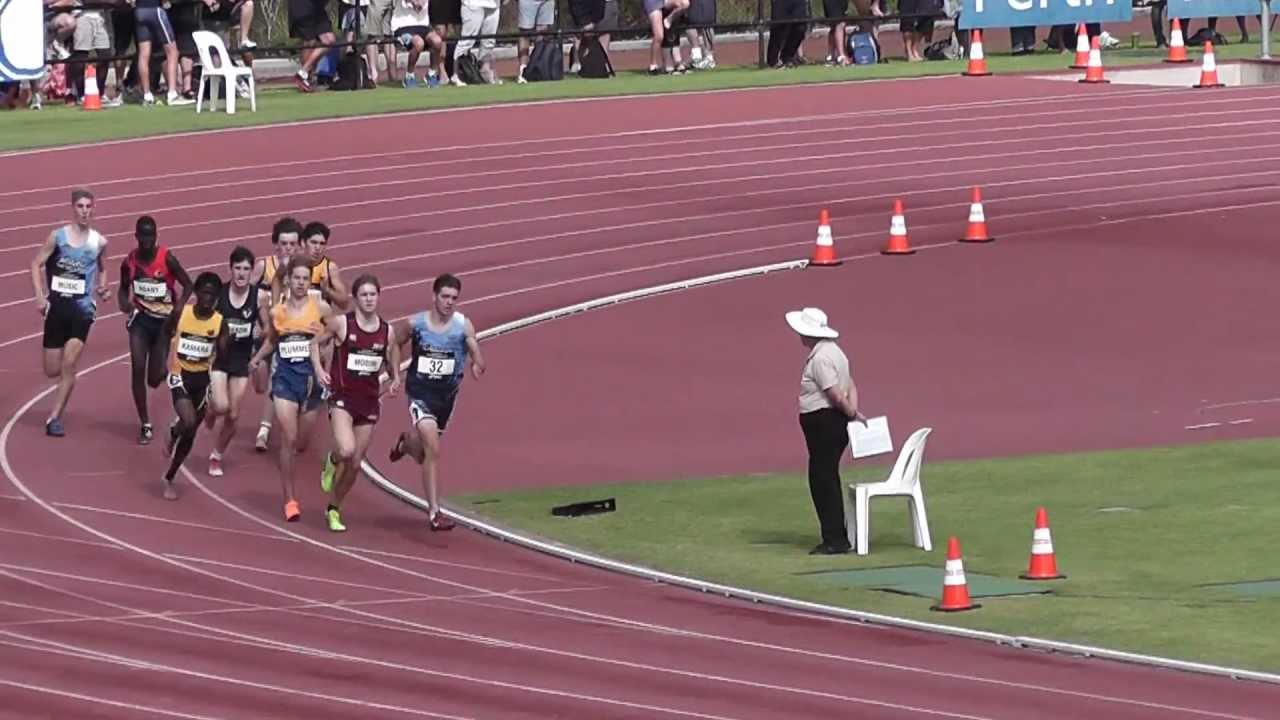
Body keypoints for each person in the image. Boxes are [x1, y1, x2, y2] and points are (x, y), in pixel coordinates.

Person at [387, 273, 485, 531]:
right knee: (434, 449)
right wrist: (395, 375)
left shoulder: (463, 325)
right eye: (445, 296)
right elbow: (394, 342)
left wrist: (477, 363)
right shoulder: (416, 324)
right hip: (420, 393)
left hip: (446, 398)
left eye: (454, 298)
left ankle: (406, 444)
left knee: (423, 454)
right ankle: (434, 512)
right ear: (434, 297)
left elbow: (474, 347)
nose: (449, 302)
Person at [314, 275, 401, 532]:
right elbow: (313, 343)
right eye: (363, 295)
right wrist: (319, 369)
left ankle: (333, 508)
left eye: (372, 294)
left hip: (369, 402)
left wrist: (395, 376)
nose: (368, 299)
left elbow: (392, 352)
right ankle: (331, 459)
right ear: (356, 298)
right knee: (346, 450)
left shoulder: (387, 330)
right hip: (343, 399)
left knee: (354, 465)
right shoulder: (342, 324)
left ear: (379, 297)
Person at [249, 256, 333, 522]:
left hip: (311, 381)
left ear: (310, 282)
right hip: (284, 380)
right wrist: (257, 358)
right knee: (289, 436)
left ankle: (331, 462)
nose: (300, 283)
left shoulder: (320, 307)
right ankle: (289, 499)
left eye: (305, 279)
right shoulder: (279, 312)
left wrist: (323, 360)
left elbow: (334, 335)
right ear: (288, 281)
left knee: (302, 442)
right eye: (296, 278)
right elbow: (273, 341)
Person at [30, 189, 111, 437]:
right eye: (80, 206)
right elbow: (36, 263)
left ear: (93, 209)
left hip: (82, 310)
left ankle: (54, 418)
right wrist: (40, 294)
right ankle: (62, 387)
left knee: (70, 363)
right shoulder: (58, 237)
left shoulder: (98, 242)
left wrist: (102, 287)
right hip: (56, 309)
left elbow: (103, 268)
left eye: (89, 206)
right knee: (52, 369)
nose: (85, 210)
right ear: (73, 208)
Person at [786, 306, 862, 556]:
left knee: (823, 480)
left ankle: (834, 539)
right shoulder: (836, 353)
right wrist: (852, 410)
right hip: (830, 422)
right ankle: (835, 535)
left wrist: (851, 412)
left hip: (825, 423)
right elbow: (850, 384)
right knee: (826, 477)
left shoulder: (820, 358)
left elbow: (834, 392)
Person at [118, 215, 193, 445]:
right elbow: (122, 290)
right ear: (137, 236)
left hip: (163, 324)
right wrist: (126, 305)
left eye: (151, 236)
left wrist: (178, 308)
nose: (147, 240)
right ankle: (145, 423)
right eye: (143, 236)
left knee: (153, 379)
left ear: (156, 236)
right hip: (140, 321)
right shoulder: (129, 262)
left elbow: (188, 284)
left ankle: (163, 371)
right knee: (137, 367)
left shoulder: (166, 258)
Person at [162, 272, 228, 500]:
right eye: (204, 293)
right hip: (180, 375)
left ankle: (170, 476)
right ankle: (174, 431)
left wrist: (222, 349)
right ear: (197, 294)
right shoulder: (182, 314)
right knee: (188, 420)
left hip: (202, 381)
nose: (208, 298)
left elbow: (222, 355)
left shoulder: (220, 323)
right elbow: (165, 334)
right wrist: (164, 363)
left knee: (190, 433)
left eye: (213, 294)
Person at [205, 246, 266, 477]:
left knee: (233, 414)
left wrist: (262, 334)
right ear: (230, 269)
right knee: (221, 406)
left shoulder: (258, 296)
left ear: (252, 272)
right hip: (220, 358)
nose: (241, 273)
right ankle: (210, 408)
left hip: (242, 360)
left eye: (246, 269)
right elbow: (205, 320)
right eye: (237, 268)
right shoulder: (218, 294)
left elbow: (268, 328)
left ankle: (216, 455)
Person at [250, 217, 303, 452]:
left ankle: (264, 430)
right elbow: (248, 295)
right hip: (263, 331)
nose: (288, 249)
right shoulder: (264, 266)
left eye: (293, 244)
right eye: (284, 243)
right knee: (261, 385)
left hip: (289, 334)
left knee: (278, 377)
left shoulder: (303, 271)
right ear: (276, 244)